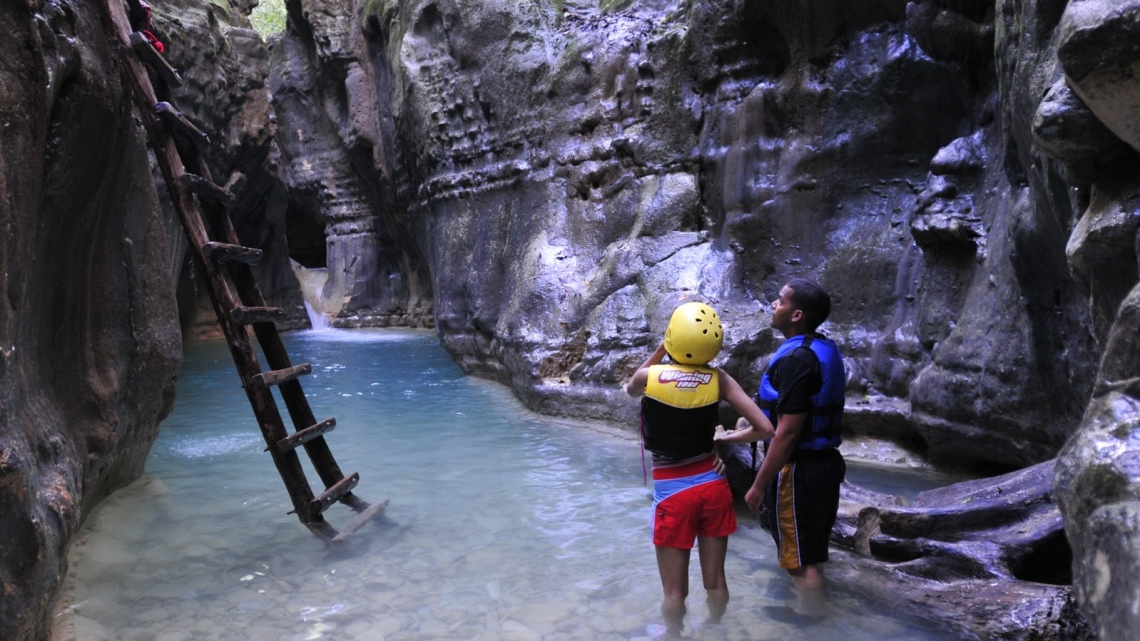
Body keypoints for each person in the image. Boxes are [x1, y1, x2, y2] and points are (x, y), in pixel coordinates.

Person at [624, 302, 774, 638]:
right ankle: (713, 630)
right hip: (714, 487)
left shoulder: (649, 377)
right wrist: (724, 438)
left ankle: (674, 635)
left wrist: (663, 348)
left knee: (674, 593)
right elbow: (765, 428)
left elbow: (630, 391)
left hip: (673, 494)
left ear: (673, 338)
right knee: (716, 581)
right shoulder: (718, 379)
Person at [714, 278, 846, 616]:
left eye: (780, 300)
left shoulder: (797, 360)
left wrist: (758, 486)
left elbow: (786, 434)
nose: (774, 305)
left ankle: (810, 624)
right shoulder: (820, 348)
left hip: (798, 471)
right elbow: (776, 428)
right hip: (824, 464)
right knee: (809, 552)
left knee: (801, 564)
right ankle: (812, 613)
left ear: (797, 314)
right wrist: (730, 438)